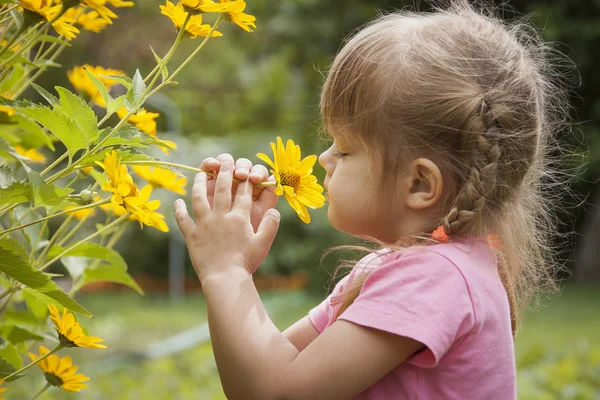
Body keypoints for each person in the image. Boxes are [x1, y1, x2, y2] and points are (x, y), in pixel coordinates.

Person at [173, 1, 573, 398]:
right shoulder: (414, 269)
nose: (324, 159)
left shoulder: (434, 279)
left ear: (419, 183)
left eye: (344, 149)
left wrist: (226, 270)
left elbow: (276, 392)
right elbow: (257, 377)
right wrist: (235, 260)